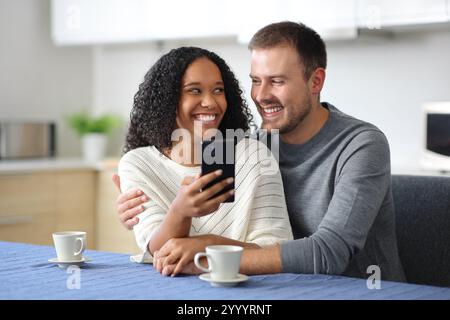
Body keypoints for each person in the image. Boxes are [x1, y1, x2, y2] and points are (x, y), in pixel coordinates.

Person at [114, 22, 406, 282]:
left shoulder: (361, 145)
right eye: (255, 81)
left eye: (277, 81)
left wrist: (208, 249)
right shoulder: (252, 147)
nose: (261, 96)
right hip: (284, 287)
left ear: (315, 81)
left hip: (363, 289)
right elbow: (191, 219)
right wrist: (144, 214)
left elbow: (330, 253)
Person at [117, 46, 293, 275]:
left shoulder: (253, 156)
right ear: (169, 99)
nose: (210, 102)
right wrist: (180, 212)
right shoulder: (138, 164)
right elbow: (158, 251)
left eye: (218, 90)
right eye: (195, 91)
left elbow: (275, 252)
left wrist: (208, 243)